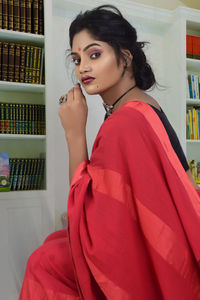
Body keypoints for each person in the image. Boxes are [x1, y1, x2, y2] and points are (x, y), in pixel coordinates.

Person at [19, 5, 200, 300]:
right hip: (160, 243)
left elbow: (96, 226)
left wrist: (74, 133)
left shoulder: (126, 122)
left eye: (95, 54)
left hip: (143, 259)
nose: (83, 68)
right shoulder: (138, 107)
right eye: (77, 59)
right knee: (54, 244)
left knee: (43, 264)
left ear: (125, 57)